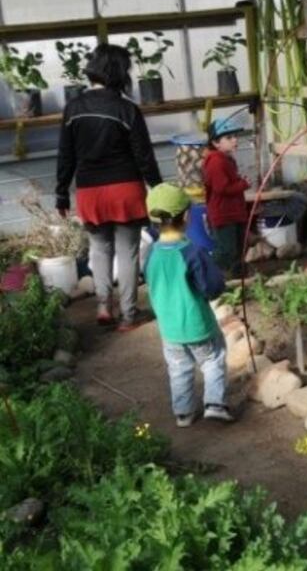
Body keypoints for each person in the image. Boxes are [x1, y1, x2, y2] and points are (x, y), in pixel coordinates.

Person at [56, 43, 162, 331]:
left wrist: (61, 193)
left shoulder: (73, 108)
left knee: (100, 249)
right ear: (118, 72)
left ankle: (104, 306)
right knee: (127, 251)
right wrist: (158, 187)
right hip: (125, 189)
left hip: (90, 191)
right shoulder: (126, 109)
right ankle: (129, 315)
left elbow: (66, 154)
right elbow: (144, 155)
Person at [144, 183, 233, 427]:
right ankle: (215, 404)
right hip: (198, 325)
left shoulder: (151, 254)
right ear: (186, 216)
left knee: (179, 368)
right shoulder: (192, 252)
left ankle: (183, 413)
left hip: (169, 330)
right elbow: (212, 287)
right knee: (213, 360)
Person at [203, 117, 250, 277]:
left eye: (235, 136)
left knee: (239, 247)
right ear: (216, 143)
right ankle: (211, 276)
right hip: (223, 215)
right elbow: (221, 188)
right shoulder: (216, 161)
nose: (235, 140)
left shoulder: (226, 160)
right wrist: (242, 184)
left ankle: (239, 279)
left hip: (233, 213)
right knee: (226, 251)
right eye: (229, 138)